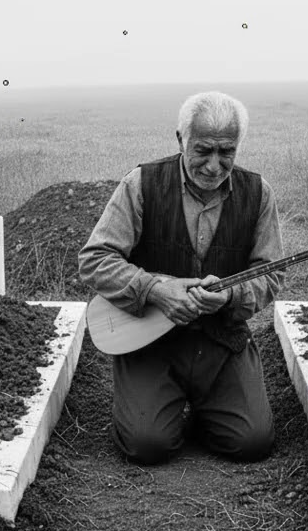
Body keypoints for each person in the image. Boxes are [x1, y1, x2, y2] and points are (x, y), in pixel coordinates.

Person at [78, 91, 284, 465]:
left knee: (251, 442)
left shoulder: (258, 194)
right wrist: (155, 290)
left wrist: (230, 296)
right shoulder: (141, 184)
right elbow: (95, 259)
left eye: (226, 152)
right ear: (180, 139)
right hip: (148, 341)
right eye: (203, 150)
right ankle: (154, 400)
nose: (214, 165)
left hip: (221, 340)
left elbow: (270, 274)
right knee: (147, 445)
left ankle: (203, 409)